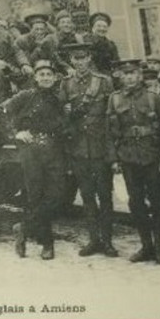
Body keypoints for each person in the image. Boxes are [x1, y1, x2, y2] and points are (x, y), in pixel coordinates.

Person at [2, 59, 65, 260]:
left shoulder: (58, 98)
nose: (46, 78)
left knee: (56, 196)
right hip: (32, 151)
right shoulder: (26, 95)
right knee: (35, 195)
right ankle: (47, 245)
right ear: (36, 78)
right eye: (42, 75)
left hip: (54, 150)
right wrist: (16, 133)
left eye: (49, 75)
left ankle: (23, 227)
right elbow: (2, 111)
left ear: (54, 78)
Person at [108, 58, 160, 264]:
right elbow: (109, 132)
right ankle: (146, 246)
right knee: (136, 202)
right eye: (125, 74)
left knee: (158, 202)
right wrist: (114, 159)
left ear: (140, 75)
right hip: (128, 157)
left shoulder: (153, 98)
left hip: (152, 157)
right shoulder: (115, 99)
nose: (129, 77)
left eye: (133, 73)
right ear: (120, 77)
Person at [61, 41, 116, 257]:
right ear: (71, 61)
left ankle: (108, 242)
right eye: (75, 59)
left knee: (105, 196)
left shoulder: (104, 82)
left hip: (100, 149)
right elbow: (63, 118)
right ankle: (94, 240)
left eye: (83, 58)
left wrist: (111, 151)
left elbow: (111, 117)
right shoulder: (66, 84)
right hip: (79, 150)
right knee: (87, 196)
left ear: (89, 59)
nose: (80, 62)